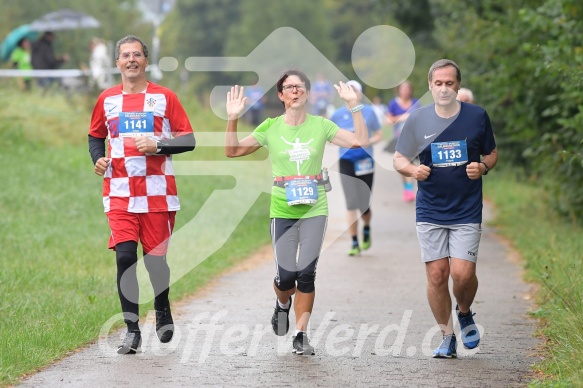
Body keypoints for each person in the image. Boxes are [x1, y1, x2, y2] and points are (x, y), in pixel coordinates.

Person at [224, 69, 369, 355]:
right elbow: (233, 151)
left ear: (307, 93)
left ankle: (301, 334)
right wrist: (233, 117)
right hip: (282, 209)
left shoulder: (321, 125)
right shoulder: (270, 127)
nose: (294, 91)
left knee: (306, 274)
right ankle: (282, 303)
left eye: (299, 86)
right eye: (288, 87)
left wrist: (355, 106)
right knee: (286, 277)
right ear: (280, 95)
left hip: (315, 207)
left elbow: (359, 140)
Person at [88, 35, 196, 355]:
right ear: (117, 63)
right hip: (119, 192)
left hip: (158, 194)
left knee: (155, 262)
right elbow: (95, 136)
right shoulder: (107, 99)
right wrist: (97, 158)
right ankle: (131, 329)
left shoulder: (165, 97)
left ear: (146, 61)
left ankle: (162, 306)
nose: (131, 60)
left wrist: (160, 145)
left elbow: (188, 139)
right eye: (125, 55)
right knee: (124, 257)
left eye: (137, 54)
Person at [393, 59, 498, 358]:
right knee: (438, 275)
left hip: (466, 208)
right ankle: (447, 336)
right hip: (430, 209)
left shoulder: (477, 116)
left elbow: (492, 152)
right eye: (438, 83)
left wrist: (483, 166)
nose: (444, 89)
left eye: (449, 83)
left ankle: (464, 311)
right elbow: (399, 159)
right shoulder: (418, 119)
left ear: (458, 85)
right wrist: (412, 171)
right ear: (429, 86)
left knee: (463, 275)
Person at [329, 80, 383, 256]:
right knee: (351, 202)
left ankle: (366, 227)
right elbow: (331, 136)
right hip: (346, 161)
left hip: (365, 161)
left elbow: (379, 134)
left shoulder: (369, 112)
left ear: (360, 93)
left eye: (355, 90)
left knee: (363, 204)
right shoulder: (337, 115)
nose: (352, 93)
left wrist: (363, 144)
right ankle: (354, 241)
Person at [386, 81, 421, 202]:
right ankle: (408, 190)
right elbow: (388, 121)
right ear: (399, 90)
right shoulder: (393, 103)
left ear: (411, 90)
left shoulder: (416, 103)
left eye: (408, 88)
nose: (405, 90)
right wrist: (402, 118)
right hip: (400, 139)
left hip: (415, 139)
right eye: (403, 88)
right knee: (403, 164)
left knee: (415, 164)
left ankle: (414, 188)